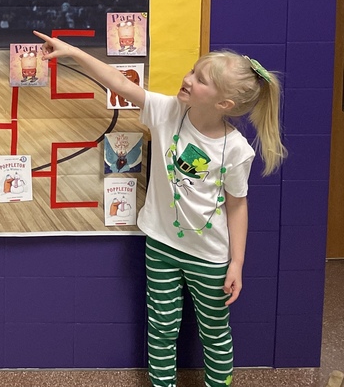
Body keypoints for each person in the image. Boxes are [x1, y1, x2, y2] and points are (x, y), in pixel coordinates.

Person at [33, 31, 286, 387]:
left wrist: (237, 263)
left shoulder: (236, 150)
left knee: (214, 333)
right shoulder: (167, 112)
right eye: (192, 71)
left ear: (224, 104)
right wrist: (74, 51)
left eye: (200, 79)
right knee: (162, 329)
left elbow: (237, 206)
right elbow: (120, 82)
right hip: (162, 248)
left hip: (210, 258)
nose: (188, 79)